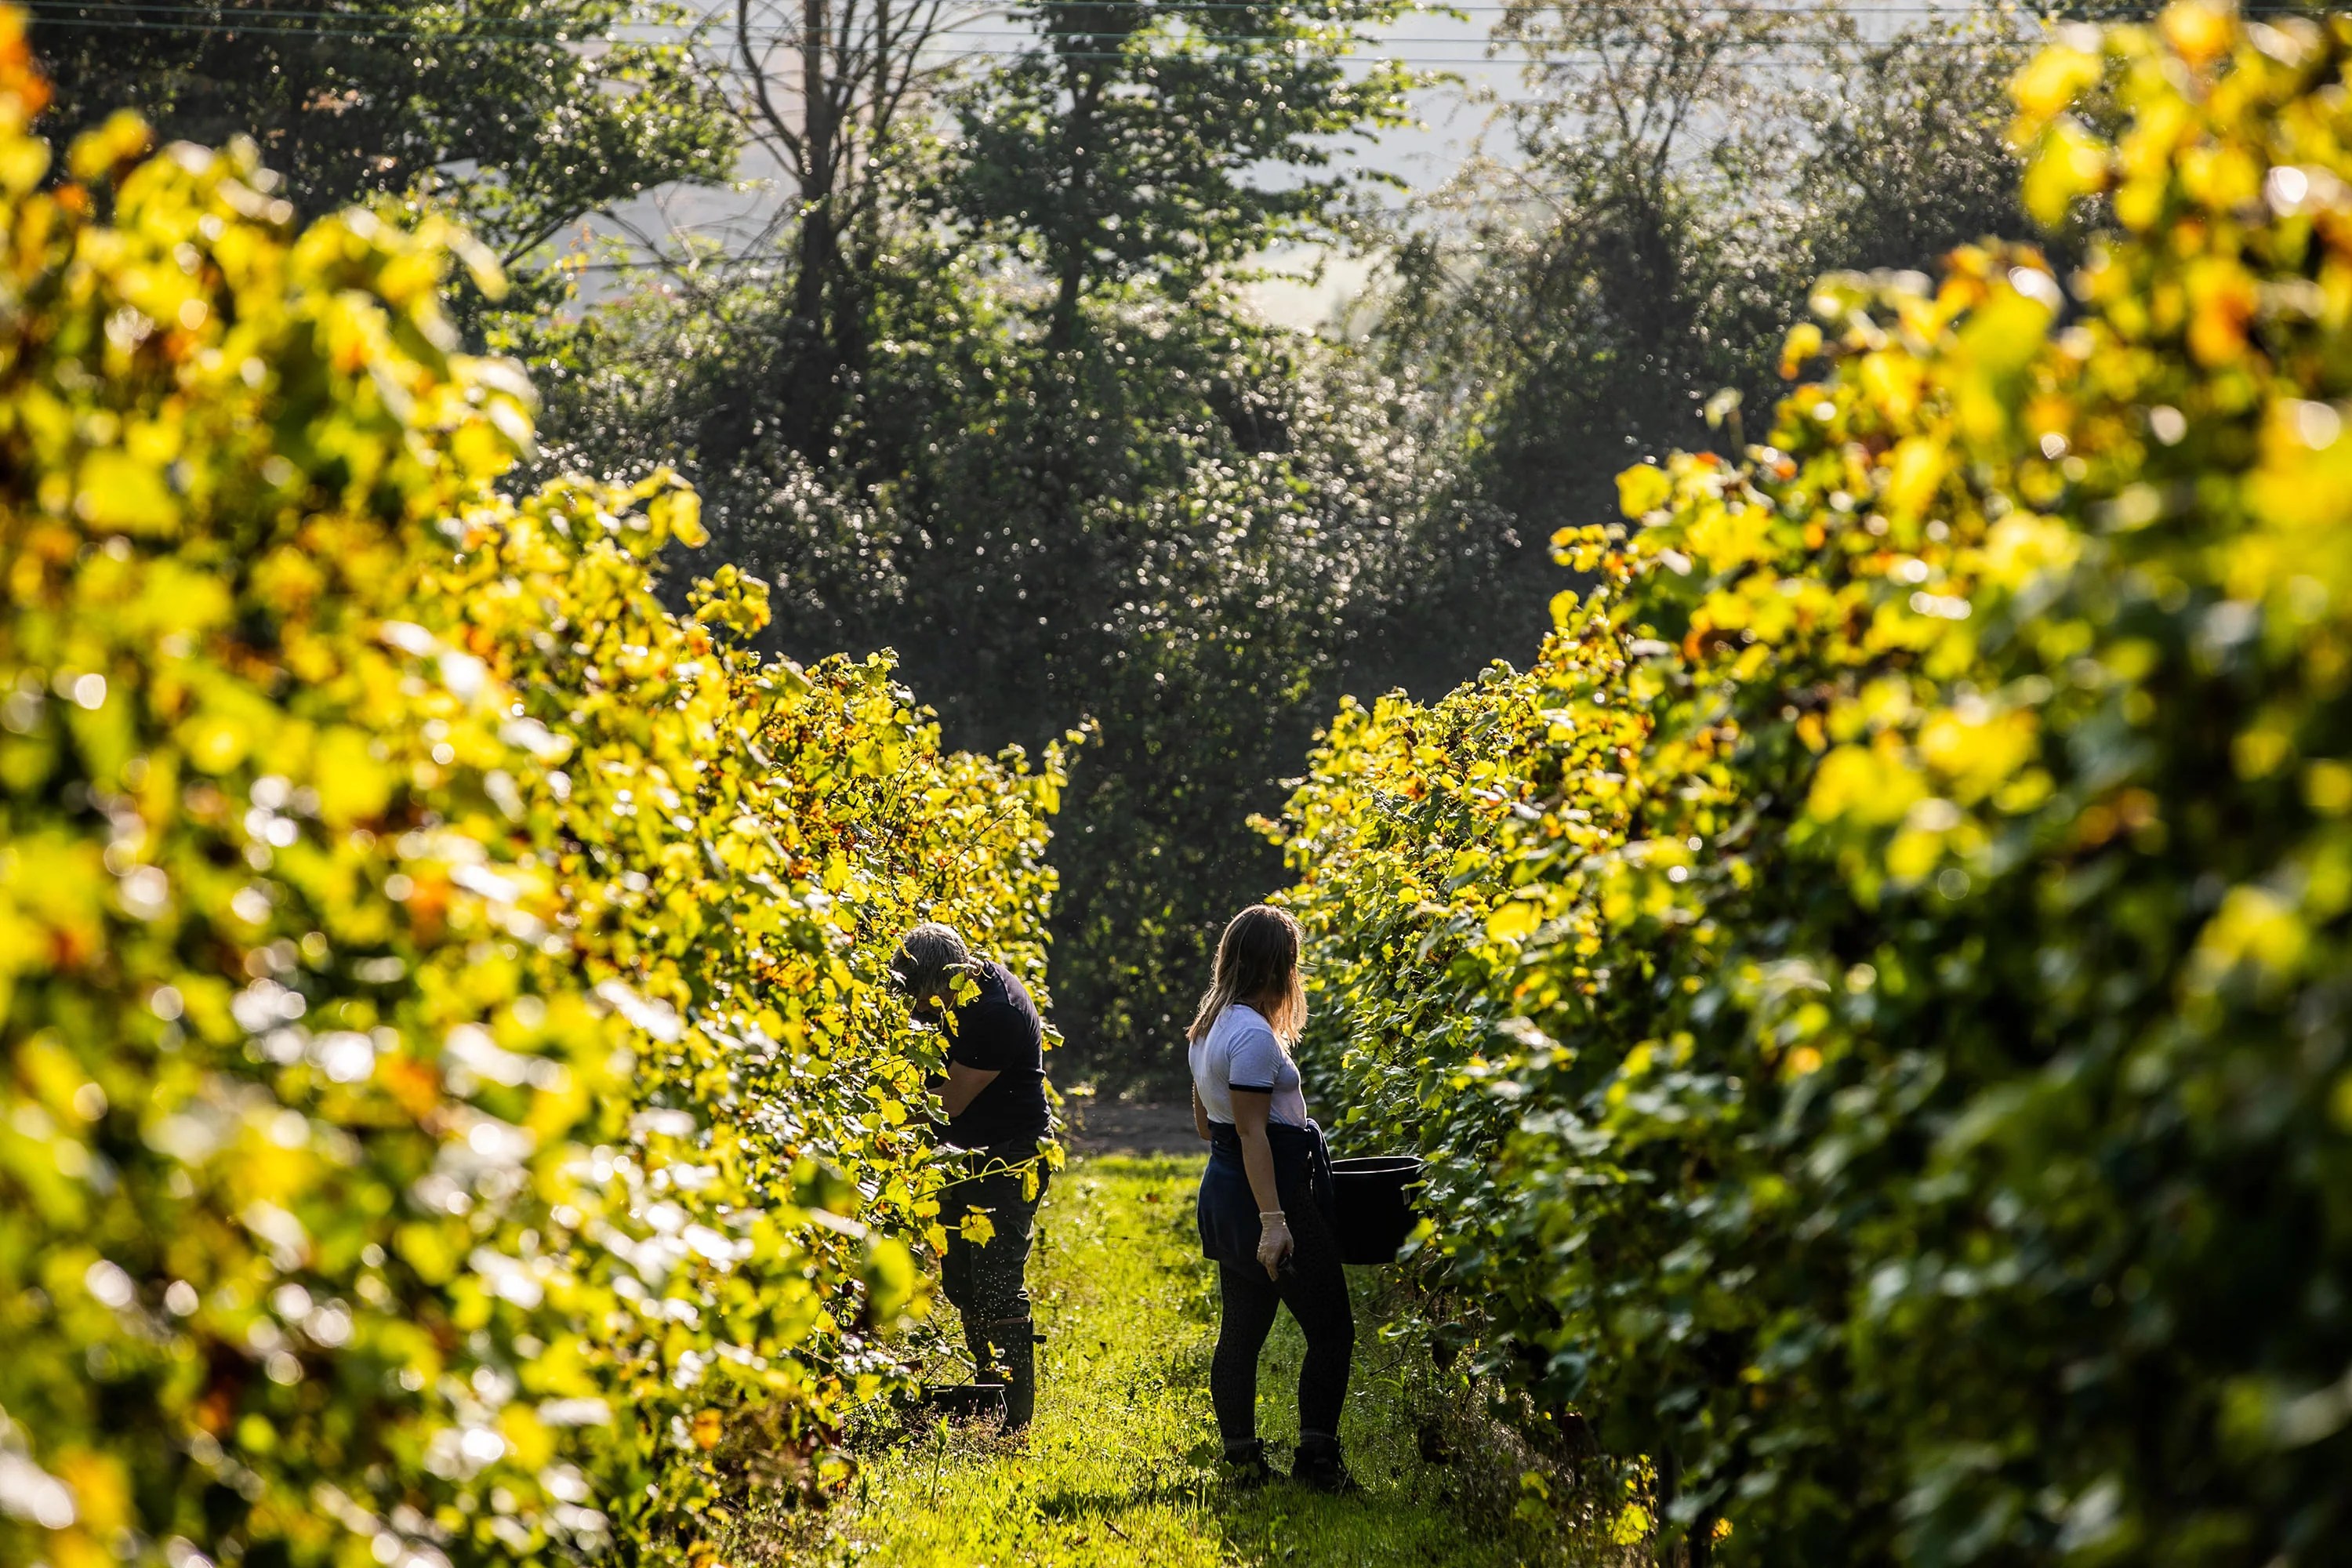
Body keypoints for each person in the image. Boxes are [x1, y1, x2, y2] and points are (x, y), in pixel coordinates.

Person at [1188, 904, 1356, 1493]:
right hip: (1269, 1192)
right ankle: (1317, 1463)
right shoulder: (1254, 1036)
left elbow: (1210, 1125)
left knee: (1241, 1332)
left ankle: (1242, 1461)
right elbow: (1254, 1132)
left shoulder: (1208, 1028)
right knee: (1333, 1330)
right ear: (1278, 965)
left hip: (1225, 1186)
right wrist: (1275, 1222)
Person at [891, 921, 1053, 1433]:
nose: (917, 1013)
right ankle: (991, 1396)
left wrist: (874, 1109)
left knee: (999, 1287)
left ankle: (1015, 1426)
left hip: (1008, 1160)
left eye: (920, 999)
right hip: (963, 1158)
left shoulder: (993, 1014)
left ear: (947, 980)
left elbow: (948, 1102)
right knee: (963, 1282)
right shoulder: (967, 987)